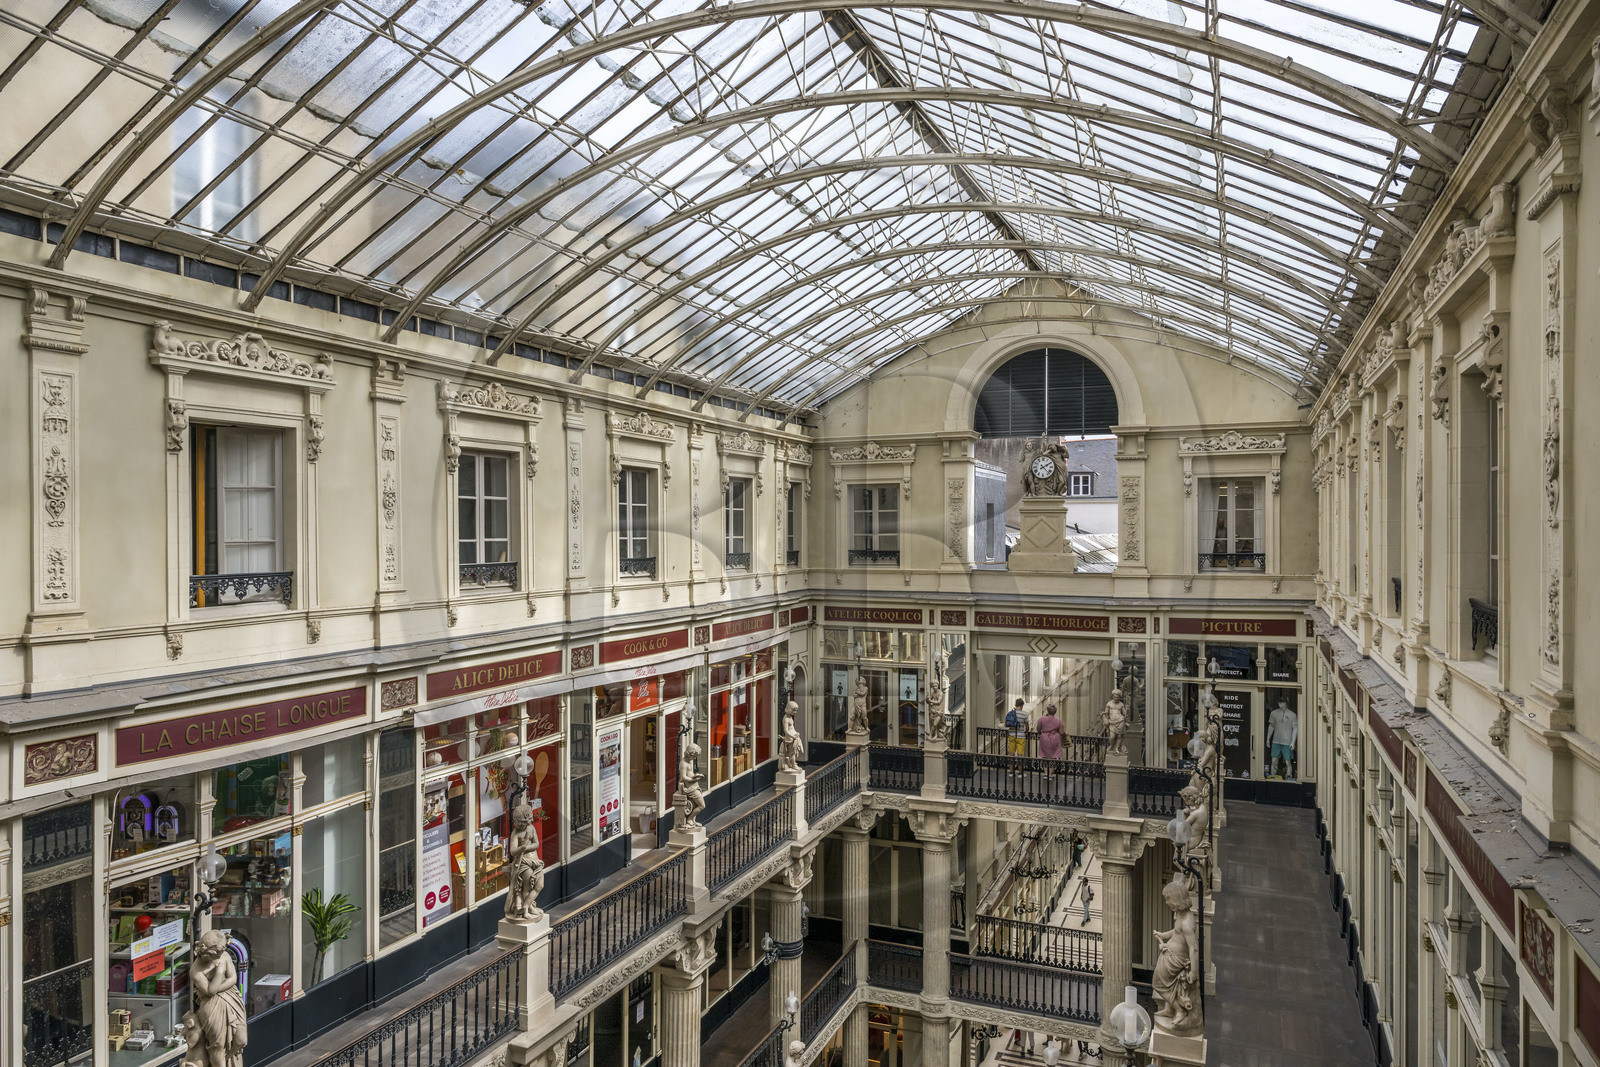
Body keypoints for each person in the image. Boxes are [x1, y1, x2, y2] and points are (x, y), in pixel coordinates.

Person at [1035, 702, 1064, 781]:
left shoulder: (1041, 719)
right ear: (1055, 712)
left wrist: (1043, 732)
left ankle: (1045, 774)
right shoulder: (1058, 721)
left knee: (1045, 756)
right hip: (1055, 739)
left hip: (1044, 739)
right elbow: (1061, 732)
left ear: (1047, 711)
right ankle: (1050, 774)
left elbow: (1038, 729)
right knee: (1053, 757)